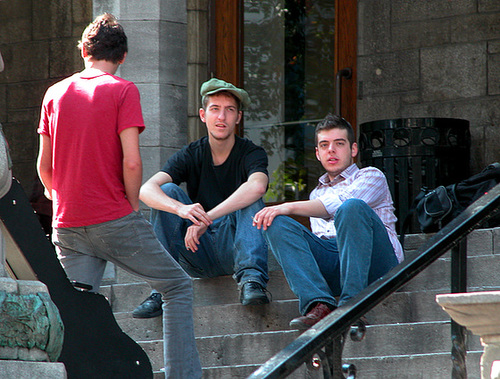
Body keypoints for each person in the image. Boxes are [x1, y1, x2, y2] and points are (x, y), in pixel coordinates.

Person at [36, 14, 201, 378]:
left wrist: (57, 197)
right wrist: (131, 205)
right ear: (123, 57)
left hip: (67, 224)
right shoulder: (123, 90)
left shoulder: (54, 94)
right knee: (176, 286)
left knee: (76, 312)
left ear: (83, 50)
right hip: (113, 217)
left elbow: (43, 167)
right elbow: (132, 161)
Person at [132, 77, 270, 318]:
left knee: (251, 197)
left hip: (234, 247)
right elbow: (146, 190)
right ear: (203, 115)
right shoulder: (191, 153)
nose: (222, 117)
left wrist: (205, 219)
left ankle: (252, 281)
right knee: (168, 192)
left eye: (229, 110)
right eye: (215, 109)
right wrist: (181, 210)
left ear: (238, 117)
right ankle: (161, 291)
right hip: (197, 250)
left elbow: (258, 187)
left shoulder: (252, 153)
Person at [253, 113, 404, 329]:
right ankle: (319, 304)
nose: (331, 150)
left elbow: (337, 204)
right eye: (324, 145)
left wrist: (287, 206)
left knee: (351, 207)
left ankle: (352, 304)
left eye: (339, 144)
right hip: (338, 263)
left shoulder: (371, 176)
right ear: (317, 153)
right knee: (276, 223)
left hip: (376, 263)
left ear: (353, 149)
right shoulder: (316, 194)